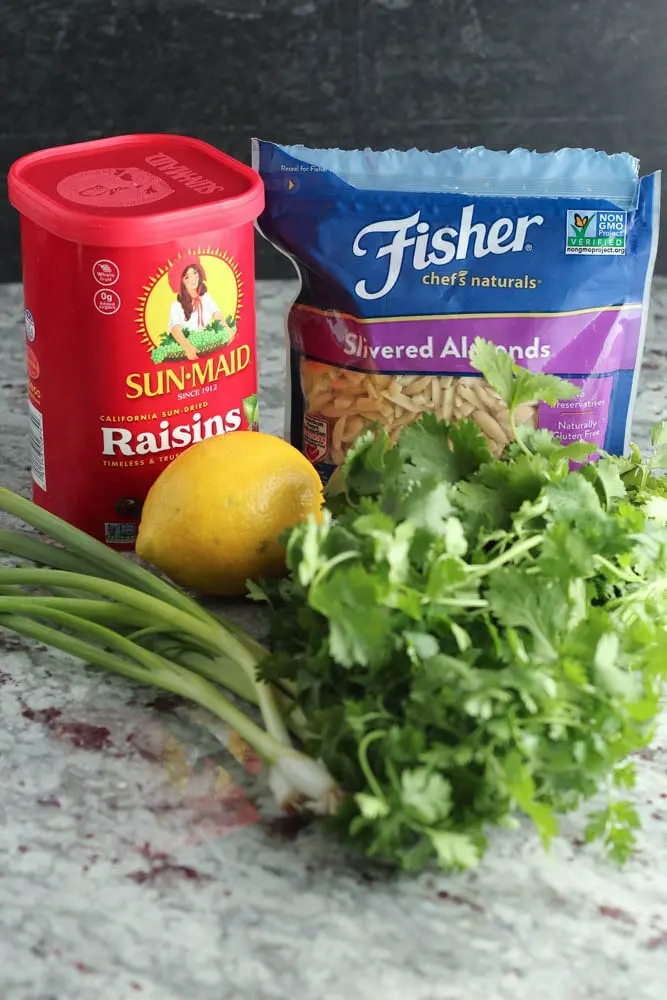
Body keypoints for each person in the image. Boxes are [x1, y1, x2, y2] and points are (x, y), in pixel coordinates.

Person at [168, 263, 225, 361]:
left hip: (208, 351)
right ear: (180, 282)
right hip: (187, 356)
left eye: (195, 273)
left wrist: (226, 328)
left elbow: (216, 313)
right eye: (187, 277)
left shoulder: (206, 297)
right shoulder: (176, 306)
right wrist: (187, 347)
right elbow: (175, 328)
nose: (193, 278)